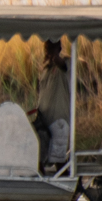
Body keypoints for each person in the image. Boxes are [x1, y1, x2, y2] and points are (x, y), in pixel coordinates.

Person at [36, 39, 71, 167]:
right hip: (44, 121)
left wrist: (54, 55)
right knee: (40, 156)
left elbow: (62, 64)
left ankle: (67, 183)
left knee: (58, 159)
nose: (47, 51)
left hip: (58, 120)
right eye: (46, 48)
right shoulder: (46, 69)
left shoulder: (66, 63)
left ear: (59, 49)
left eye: (51, 48)